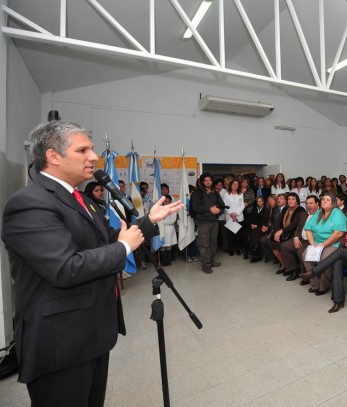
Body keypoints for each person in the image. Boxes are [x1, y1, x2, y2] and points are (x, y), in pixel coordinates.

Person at [1, 121, 183, 407]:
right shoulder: (30, 203)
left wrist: (148, 221)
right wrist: (124, 247)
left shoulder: (78, 197)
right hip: (61, 342)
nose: (94, 156)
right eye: (83, 149)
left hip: (91, 332)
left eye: (93, 149)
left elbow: (105, 238)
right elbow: (65, 268)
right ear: (53, 156)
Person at [311, 216, 347, 313]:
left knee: (341, 252)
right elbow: (344, 240)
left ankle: (316, 271)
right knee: (337, 262)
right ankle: (338, 301)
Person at [299, 193, 347, 295]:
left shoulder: (337, 213)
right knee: (305, 256)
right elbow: (308, 228)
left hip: (333, 244)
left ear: (333, 202)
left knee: (323, 258)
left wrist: (324, 244)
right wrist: (312, 243)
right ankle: (315, 284)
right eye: (323, 199)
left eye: (328, 199)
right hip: (317, 243)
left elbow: (338, 233)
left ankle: (323, 286)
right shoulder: (318, 213)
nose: (324, 201)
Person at [281, 195, 319, 281]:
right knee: (285, 246)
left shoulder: (321, 215)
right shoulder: (303, 214)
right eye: (307, 203)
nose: (308, 205)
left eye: (311, 203)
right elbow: (298, 228)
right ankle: (293, 270)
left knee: (301, 251)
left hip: (311, 241)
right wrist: (296, 238)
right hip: (301, 238)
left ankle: (305, 276)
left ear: (317, 204)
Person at [193, 172, 225, 274]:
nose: (208, 182)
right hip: (203, 222)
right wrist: (209, 209)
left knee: (213, 243)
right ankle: (205, 265)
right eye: (206, 181)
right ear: (202, 182)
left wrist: (219, 210)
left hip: (214, 221)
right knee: (204, 244)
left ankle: (211, 261)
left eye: (210, 180)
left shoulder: (215, 193)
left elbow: (222, 205)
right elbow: (195, 207)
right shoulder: (197, 193)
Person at [271, 192, 305, 275]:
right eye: (289, 199)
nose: (290, 201)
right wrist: (276, 234)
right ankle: (284, 265)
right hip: (285, 233)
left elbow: (294, 225)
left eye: (293, 199)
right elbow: (278, 222)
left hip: (295, 234)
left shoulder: (300, 210)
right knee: (273, 245)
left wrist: (281, 231)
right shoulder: (286, 209)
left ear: (297, 201)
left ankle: (293, 269)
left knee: (284, 246)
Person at [224, 179, 245, 256]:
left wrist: (236, 214)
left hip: (239, 217)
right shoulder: (226, 194)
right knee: (231, 235)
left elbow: (242, 205)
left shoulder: (240, 194)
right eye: (233, 184)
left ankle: (238, 248)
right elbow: (225, 206)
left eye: (237, 184)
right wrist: (231, 214)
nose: (235, 185)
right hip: (230, 217)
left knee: (238, 235)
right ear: (231, 185)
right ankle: (231, 249)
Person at [160, 194, 178, 266]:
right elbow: (157, 220)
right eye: (165, 201)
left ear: (170, 202)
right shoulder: (159, 209)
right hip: (161, 230)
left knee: (168, 245)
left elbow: (172, 221)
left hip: (169, 230)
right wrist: (162, 221)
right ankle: (163, 262)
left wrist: (162, 221)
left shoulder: (173, 210)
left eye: (168, 201)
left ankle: (168, 261)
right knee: (162, 246)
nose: (166, 203)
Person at [248, 196, 267, 263]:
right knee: (248, 232)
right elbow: (251, 217)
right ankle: (253, 252)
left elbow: (265, 221)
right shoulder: (254, 208)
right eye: (258, 201)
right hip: (253, 226)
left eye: (260, 201)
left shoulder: (266, 209)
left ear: (263, 202)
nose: (259, 203)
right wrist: (251, 224)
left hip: (261, 227)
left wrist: (257, 225)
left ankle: (256, 254)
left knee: (256, 233)